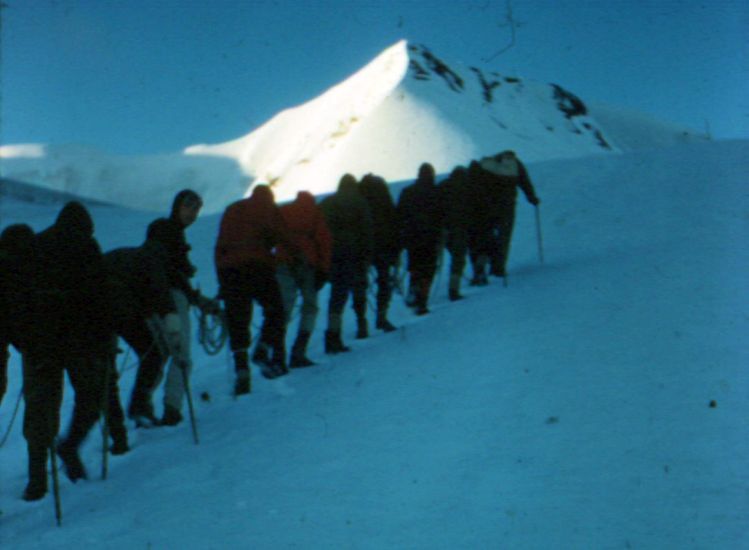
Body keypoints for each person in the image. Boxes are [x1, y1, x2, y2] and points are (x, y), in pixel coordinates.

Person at [22, 202, 127, 499]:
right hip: (80, 339)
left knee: (41, 407)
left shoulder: (37, 246)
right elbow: (100, 296)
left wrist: (26, 339)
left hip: (41, 342)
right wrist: (107, 337)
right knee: (91, 396)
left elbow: (22, 298)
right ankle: (70, 446)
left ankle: (37, 480)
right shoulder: (86, 246)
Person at [215, 184, 299, 395]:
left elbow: (220, 245)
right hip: (258, 265)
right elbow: (284, 236)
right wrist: (296, 260)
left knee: (238, 320)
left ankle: (241, 372)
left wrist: (222, 281)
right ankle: (263, 348)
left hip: (230, 271)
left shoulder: (232, 209)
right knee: (276, 310)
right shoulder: (269, 208)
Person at [105, 232, 181, 428]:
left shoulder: (121, 254)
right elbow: (162, 297)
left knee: (106, 370)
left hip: (95, 311)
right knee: (153, 355)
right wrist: (173, 328)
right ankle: (139, 406)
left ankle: (116, 431)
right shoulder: (154, 262)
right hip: (124, 310)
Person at [145, 189, 207, 426]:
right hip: (172, 299)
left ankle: (143, 405)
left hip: (150, 298)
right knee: (181, 356)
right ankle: (172, 408)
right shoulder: (172, 233)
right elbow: (172, 270)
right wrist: (190, 292)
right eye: (189, 207)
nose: (193, 214)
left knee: (158, 354)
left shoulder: (160, 231)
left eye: (196, 209)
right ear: (178, 207)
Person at [276, 191, 332, 367]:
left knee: (284, 309)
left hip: (283, 263)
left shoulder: (283, 210)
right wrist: (324, 269)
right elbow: (324, 241)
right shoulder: (315, 213)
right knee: (310, 307)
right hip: (307, 265)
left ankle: (277, 354)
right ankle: (298, 351)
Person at [319, 174, 374, 353]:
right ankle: (362, 325)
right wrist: (367, 254)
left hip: (334, 254)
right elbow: (367, 229)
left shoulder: (328, 202)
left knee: (337, 295)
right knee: (359, 289)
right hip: (355, 253)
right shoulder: (360, 202)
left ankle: (332, 335)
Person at [478, 150, 540, 278]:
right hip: (507, 206)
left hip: (487, 206)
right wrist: (532, 198)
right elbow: (524, 182)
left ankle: (481, 266)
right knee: (504, 236)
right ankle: (498, 268)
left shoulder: (488, 164)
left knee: (486, 236)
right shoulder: (515, 164)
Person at [396, 163, 445, 315]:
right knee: (428, 270)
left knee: (415, 267)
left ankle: (413, 291)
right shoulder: (437, 193)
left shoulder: (407, 192)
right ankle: (422, 301)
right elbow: (443, 215)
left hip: (412, 238)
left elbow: (399, 215)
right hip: (431, 237)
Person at [358, 173, 400, 332]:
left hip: (363, 247)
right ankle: (381, 317)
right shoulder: (384, 197)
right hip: (383, 245)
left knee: (360, 285)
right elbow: (393, 220)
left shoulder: (359, 197)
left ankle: (361, 324)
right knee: (384, 281)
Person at [439, 165, 472, 301]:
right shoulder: (466, 188)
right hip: (459, 228)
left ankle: (417, 294)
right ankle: (453, 289)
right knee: (458, 259)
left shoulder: (443, 186)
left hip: (443, 229)